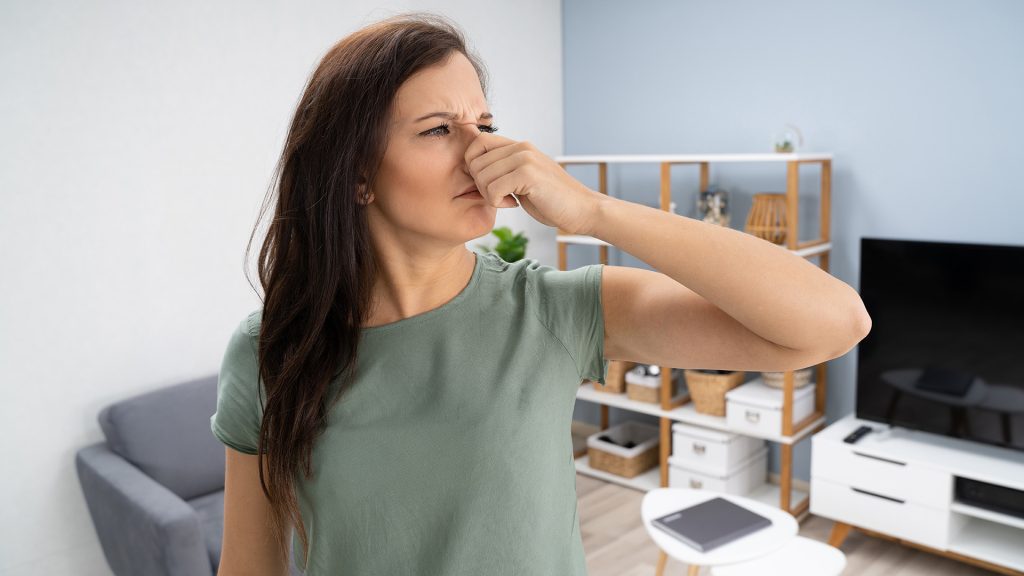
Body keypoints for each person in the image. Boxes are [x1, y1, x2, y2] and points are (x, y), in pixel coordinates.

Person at [211, 11, 872, 576]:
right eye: (440, 129)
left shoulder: (553, 310)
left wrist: (593, 212)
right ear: (357, 175)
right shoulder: (269, 350)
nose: (482, 151)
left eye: (486, 123)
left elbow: (835, 323)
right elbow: (248, 565)